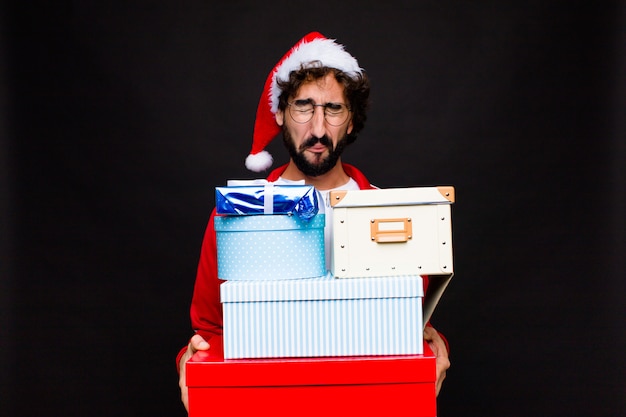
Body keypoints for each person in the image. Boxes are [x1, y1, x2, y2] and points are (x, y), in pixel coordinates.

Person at [177, 32, 451, 411]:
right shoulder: (236, 215)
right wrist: (190, 364)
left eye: (334, 109)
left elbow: (411, 322)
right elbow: (208, 330)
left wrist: (435, 347)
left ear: (351, 120)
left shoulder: (393, 214)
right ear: (279, 113)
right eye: (303, 107)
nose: (318, 129)